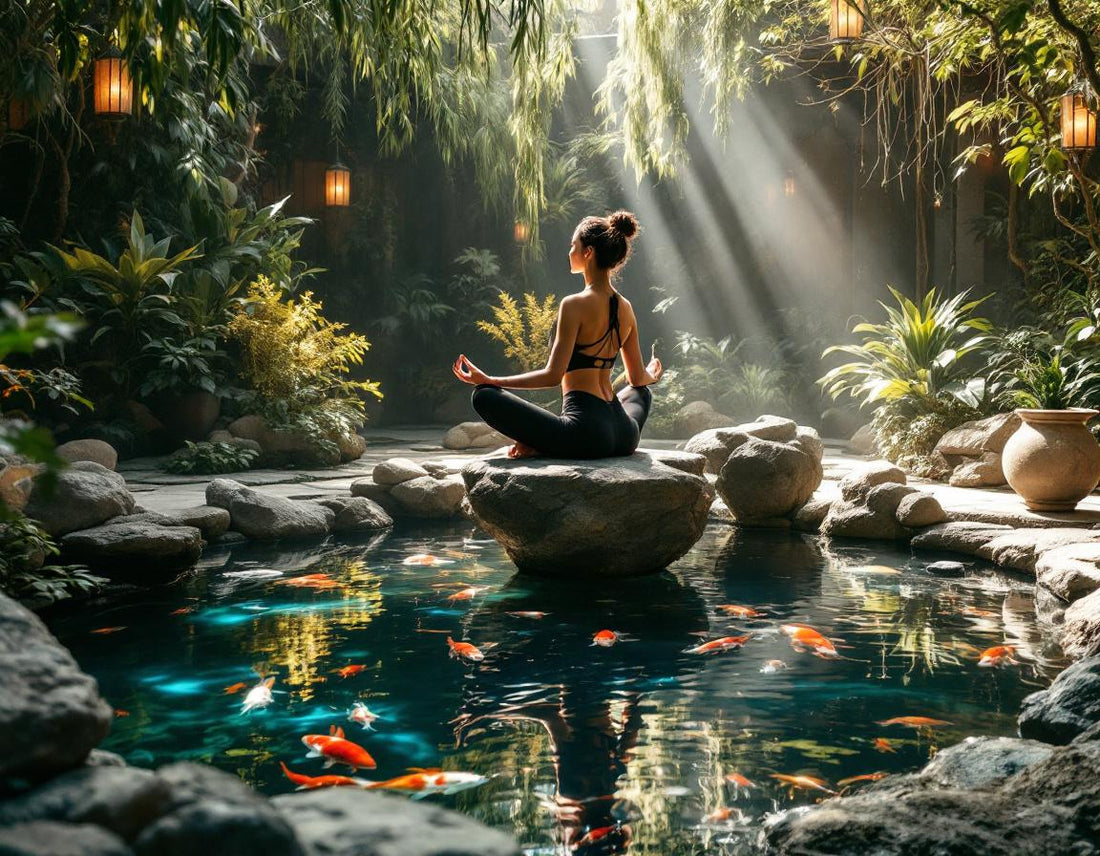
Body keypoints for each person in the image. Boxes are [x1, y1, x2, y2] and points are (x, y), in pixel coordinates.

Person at [451, 210, 662, 459]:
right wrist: (651, 373)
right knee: (641, 392)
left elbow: (553, 376)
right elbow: (638, 378)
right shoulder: (626, 307)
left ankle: (540, 444)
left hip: (586, 434)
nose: (569, 251)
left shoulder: (573, 304)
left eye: (574, 245)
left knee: (483, 396)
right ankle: (541, 442)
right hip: (625, 435)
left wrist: (490, 380)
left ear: (588, 252)